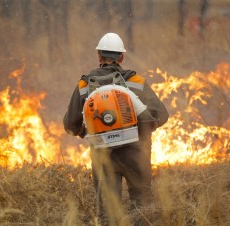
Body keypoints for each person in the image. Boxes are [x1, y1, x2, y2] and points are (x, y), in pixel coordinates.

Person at [63, 32, 169, 224]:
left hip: (103, 157)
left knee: (108, 214)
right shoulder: (135, 83)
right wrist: (138, 131)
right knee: (142, 210)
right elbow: (162, 116)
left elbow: (70, 125)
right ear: (121, 57)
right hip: (136, 155)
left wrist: (91, 132)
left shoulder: (84, 85)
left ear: (99, 56)